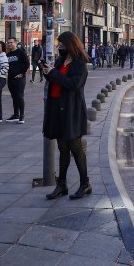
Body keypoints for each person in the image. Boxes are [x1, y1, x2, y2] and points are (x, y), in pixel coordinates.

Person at [42, 32, 92, 200]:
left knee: (76, 148)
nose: (59, 47)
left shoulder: (80, 64)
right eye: (58, 45)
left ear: (70, 44)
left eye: (62, 44)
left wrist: (54, 73)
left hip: (72, 111)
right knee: (62, 148)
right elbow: (55, 79)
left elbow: (73, 84)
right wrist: (47, 72)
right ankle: (61, 185)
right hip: (57, 109)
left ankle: (85, 184)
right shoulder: (61, 60)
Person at [5, 37, 29, 123]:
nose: (9, 44)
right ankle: (16, 115)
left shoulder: (21, 52)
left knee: (19, 96)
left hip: (20, 79)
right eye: (8, 42)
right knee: (14, 97)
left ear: (15, 43)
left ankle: (22, 116)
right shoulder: (8, 55)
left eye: (11, 42)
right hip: (11, 78)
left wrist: (22, 73)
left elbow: (27, 63)